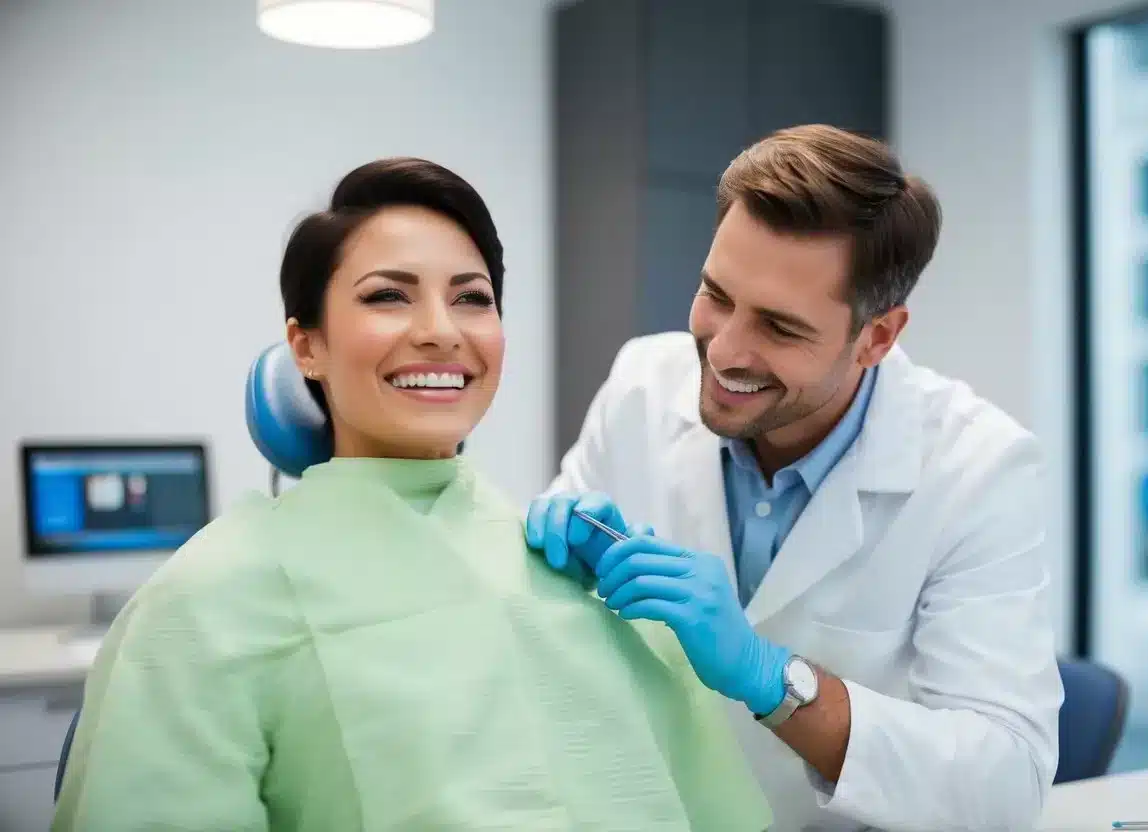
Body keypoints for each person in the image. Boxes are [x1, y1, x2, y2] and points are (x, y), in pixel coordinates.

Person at [53, 158, 772, 831]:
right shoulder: (208, 599)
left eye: (472, 299)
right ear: (306, 347)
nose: (439, 331)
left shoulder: (584, 573)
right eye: (387, 296)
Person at [528, 124, 1064, 832]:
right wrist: (553, 569)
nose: (722, 351)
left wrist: (769, 677)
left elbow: (1005, 782)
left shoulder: (978, 468)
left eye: (779, 329)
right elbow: (550, 642)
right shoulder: (641, 382)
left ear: (876, 336)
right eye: (716, 295)